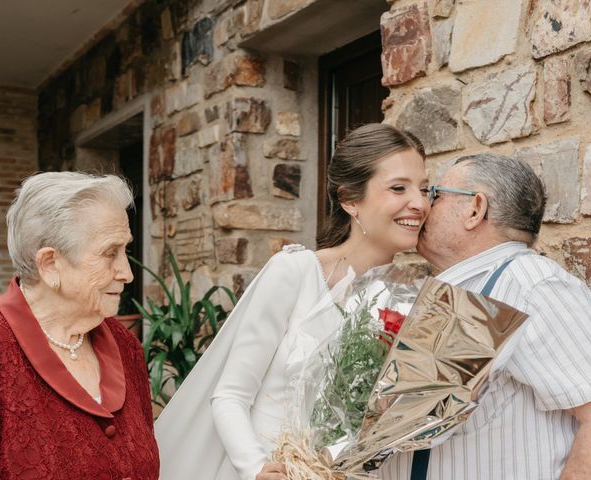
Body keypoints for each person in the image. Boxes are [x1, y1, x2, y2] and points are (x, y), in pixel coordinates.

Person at [155, 123, 431, 480]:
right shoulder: (296, 272)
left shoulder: (413, 298)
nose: (420, 203)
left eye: (425, 189)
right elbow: (230, 395)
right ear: (349, 199)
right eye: (399, 188)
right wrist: (256, 467)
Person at [380, 153, 591, 479]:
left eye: (434, 194)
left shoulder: (531, 286)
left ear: (475, 209)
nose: (423, 206)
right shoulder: (466, 288)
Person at [0, 172, 159, 479]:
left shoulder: (125, 346)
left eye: (125, 250)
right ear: (50, 264)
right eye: (109, 253)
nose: (127, 273)